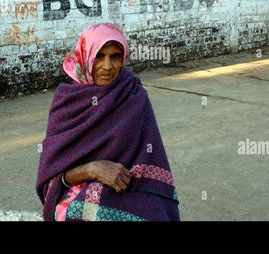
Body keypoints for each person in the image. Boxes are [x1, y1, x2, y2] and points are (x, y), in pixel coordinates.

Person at [36, 23, 180, 221]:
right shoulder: (67, 102)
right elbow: (52, 178)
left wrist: (122, 177)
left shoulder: (133, 94)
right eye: (99, 57)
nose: (107, 66)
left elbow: (151, 158)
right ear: (85, 58)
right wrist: (92, 170)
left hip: (131, 186)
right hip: (80, 189)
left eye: (115, 57)